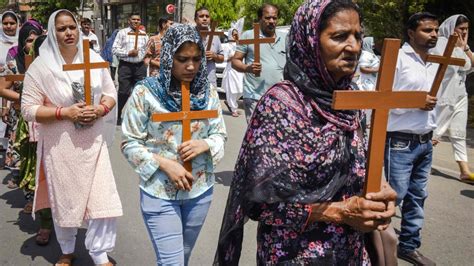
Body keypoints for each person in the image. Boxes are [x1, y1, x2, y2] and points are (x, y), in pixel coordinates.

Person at [215, 1, 396, 264]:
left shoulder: (350, 100)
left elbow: (359, 163)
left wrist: (381, 190)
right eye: (339, 36)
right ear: (310, 40)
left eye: (357, 36)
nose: (354, 46)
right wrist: (339, 212)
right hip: (296, 254)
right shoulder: (281, 105)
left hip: (352, 252)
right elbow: (260, 204)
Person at [21, 10, 122, 266]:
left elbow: (110, 93)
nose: (68, 33)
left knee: (104, 199)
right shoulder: (41, 68)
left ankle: (99, 255)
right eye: (62, 28)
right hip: (61, 148)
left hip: (94, 144)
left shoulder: (95, 59)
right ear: (52, 33)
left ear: (79, 29)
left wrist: (100, 109)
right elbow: (28, 109)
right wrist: (64, 112)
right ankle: (67, 249)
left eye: (72, 27)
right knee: (65, 202)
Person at [121, 24, 227, 265]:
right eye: (182, 59)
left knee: (184, 257)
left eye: (196, 59)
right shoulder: (145, 93)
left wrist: (205, 144)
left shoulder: (207, 92)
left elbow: (220, 134)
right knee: (172, 263)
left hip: (199, 190)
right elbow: (129, 143)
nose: (191, 66)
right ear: (169, 56)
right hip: (159, 191)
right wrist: (165, 164)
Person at [384, 12, 439, 266]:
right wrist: (417, 102)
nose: (434, 35)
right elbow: (383, 99)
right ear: (411, 33)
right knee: (393, 197)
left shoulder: (435, 60)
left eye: (436, 30)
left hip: (425, 141)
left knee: (418, 197)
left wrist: (433, 129)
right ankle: (373, 242)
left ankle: (408, 245)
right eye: (428, 30)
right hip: (400, 141)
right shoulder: (397, 58)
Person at [17, 34, 54, 246]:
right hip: (37, 130)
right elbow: (27, 103)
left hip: (63, 130)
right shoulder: (33, 71)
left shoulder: (66, 69)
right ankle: (46, 223)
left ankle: (65, 224)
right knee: (42, 179)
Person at [0, 19, 42, 188]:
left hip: (42, 116)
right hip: (20, 117)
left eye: (36, 40)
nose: (32, 45)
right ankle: (29, 195)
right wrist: (22, 98)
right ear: (22, 41)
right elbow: (2, 88)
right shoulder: (13, 63)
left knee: (40, 157)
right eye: (29, 40)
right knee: (25, 155)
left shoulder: (46, 63)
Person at [432, 14, 474, 183]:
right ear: (451, 28)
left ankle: (464, 170)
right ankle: (417, 160)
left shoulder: (464, 46)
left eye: (466, 29)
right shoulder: (440, 43)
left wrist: (464, 47)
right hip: (444, 94)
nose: (464, 32)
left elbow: (471, 64)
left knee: (459, 132)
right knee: (435, 131)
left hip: (460, 94)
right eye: (460, 28)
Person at [231, 3, 287, 123]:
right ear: (260, 18)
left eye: (274, 18)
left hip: (280, 97)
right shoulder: (248, 35)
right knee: (256, 136)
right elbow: (235, 61)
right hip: (254, 96)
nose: (271, 21)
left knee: (277, 136)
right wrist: (248, 68)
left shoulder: (285, 38)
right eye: (267, 18)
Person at [112, 12, 148, 125]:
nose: (136, 21)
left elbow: (146, 50)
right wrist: (128, 53)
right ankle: (117, 115)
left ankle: (138, 117)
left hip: (140, 66)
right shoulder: (122, 33)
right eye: (133, 19)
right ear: (129, 21)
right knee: (123, 92)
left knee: (140, 92)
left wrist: (146, 57)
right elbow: (114, 49)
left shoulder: (144, 35)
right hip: (126, 66)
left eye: (138, 20)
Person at [0, 11, 19, 154]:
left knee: (11, 124)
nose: (8, 26)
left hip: (14, 90)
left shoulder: (23, 42)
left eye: (12, 23)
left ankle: (8, 153)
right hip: (1, 87)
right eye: (5, 23)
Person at [194, 7, 224, 89]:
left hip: (210, 82)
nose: (204, 19)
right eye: (201, 16)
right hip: (192, 80)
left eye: (207, 16)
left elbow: (221, 58)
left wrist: (214, 56)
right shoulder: (189, 35)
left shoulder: (214, 35)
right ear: (195, 19)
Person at [222, 28, 244, 117]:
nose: (235, 36)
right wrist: (232, 57)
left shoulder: (240, 45)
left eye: (236, 34)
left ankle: (230, 103)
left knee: (240, 90)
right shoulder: (227, 46)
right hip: (231, 69)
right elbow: (224, 58)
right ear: (230, 35)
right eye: (234, 34)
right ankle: (234, 109)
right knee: (232, 90)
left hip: (239, 70)